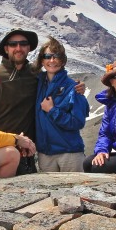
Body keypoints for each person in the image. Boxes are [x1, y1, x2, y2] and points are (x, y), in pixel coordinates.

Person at [0, 29, 40, 174]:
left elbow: (55, 82)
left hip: (27, 152)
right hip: (2, 150)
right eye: (13, 44)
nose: (18, 48)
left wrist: (76, 87)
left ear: (28, 48)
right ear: (6, 49)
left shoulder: (36, 74)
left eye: (23, 44)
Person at [34, 37, 89, 172]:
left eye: (56, 56)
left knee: (76, 191)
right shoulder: (37, 83)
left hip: (69, 153)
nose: (52, 60)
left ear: (63, 61)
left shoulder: (73, 88)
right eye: (48, 56)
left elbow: (77, 122)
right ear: (42, 60)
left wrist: (52, 110)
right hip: (45, 153)